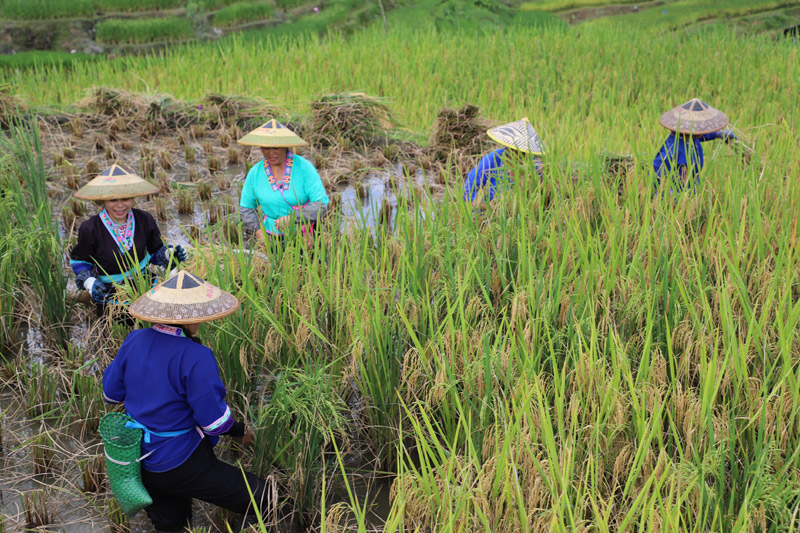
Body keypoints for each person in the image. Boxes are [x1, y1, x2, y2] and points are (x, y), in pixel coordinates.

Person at [102, 270, 276, 532]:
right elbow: (214, 422)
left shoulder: (134, 339)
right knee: (267, 497)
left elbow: (110, 394)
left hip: (138, 459)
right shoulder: (196, 355)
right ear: (192, 317)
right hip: (179, 461)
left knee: (172, 523)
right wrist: (239, 430)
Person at [70, 164, 188, 317]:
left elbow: (155, 251)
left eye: (125, 199)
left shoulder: (144, 219)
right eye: (113, 200)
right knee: (117, 337)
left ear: (132, 197)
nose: (120, 205)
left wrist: (170, 254)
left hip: (146, 288)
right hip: (111, 296)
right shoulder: (90, 228)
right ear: (103, 200)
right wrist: (90, 282)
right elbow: (81, 262)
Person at [238, 119, 329, 241]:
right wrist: (259, 234)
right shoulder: (255, 173)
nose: (271, 153)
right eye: (266, 148)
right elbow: (246, 208)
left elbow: (320, 204)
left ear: (285, 147)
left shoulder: (304, 167)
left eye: (276, 147)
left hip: (305, 234)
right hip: (271, 235)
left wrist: (292, 218)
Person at [653, 98, 738, 193]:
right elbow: (657, 168)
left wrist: (718, 134)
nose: (703, 130)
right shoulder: (672, 149)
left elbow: (702, 136)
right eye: (700, 128)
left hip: (691, 186)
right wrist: (665, 191)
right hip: (677, 192)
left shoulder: (692, 138)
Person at [463, 117, 545, 202]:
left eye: (523, 151)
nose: (519, 154)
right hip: (488, 210)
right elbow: (469, 187)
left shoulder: (535, 167)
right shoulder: (493, 159)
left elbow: (549, 195)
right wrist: (482, 206)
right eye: (515, 149)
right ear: (508, 146)